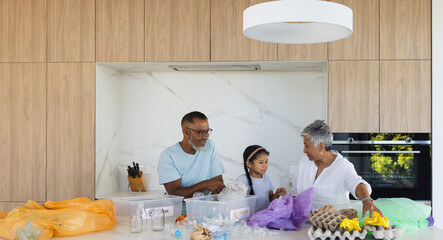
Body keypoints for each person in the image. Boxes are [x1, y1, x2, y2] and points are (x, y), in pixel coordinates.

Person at [291, 120, 383, 218]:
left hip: (335, 228)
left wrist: (366, 199)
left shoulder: (343, 166)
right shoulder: (303, 162)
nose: (304, 150)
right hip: (304, 226)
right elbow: (294, 193)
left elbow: (356, 183)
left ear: (321, 146)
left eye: (306, 146)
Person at [157, 111, 226, 199]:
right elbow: (174, 194)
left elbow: (217, 184)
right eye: (200, 132)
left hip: (206, 206)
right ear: (186, 132)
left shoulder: (210, 146)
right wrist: (205, 184)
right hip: (180, 209)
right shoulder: (168, 156)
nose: (205, 137)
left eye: (207, 131)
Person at [236, 145, 286, 211]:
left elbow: (270, 200)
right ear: (249, 164)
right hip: (248, 218)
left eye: (266, 162)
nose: (265, 165)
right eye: (261, 162)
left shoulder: (266, 179)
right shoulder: (241, 180)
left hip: (263, 217)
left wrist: (277, 194)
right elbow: (236, 203)